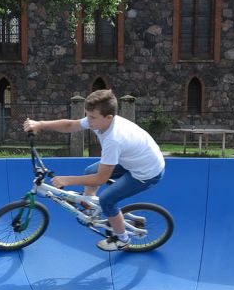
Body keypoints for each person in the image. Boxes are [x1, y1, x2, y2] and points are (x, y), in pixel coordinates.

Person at [23, 89, 165, 251]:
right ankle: (90, 204)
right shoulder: (100, 121)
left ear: (109, 117)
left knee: (107, 200)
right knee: (90, 170)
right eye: (87, 115)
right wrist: (40, 125)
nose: (88, 121)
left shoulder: (114, 139)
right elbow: (70, 125)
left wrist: (67, 180)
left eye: (92, 117)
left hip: (146, 173)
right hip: (134, 160)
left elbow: (100, 179)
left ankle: (122, 238)